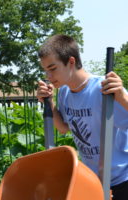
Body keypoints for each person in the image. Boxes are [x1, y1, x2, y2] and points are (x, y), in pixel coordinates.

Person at [36, 34, 128, 200]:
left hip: (122, 180)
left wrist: (122, 96)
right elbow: (63, 128)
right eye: (45, 71)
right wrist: (49, 103)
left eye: (53, 68)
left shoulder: (105, 88)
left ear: (71, 62)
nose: (48, 77)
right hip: (93, 180)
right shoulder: (64, 92)